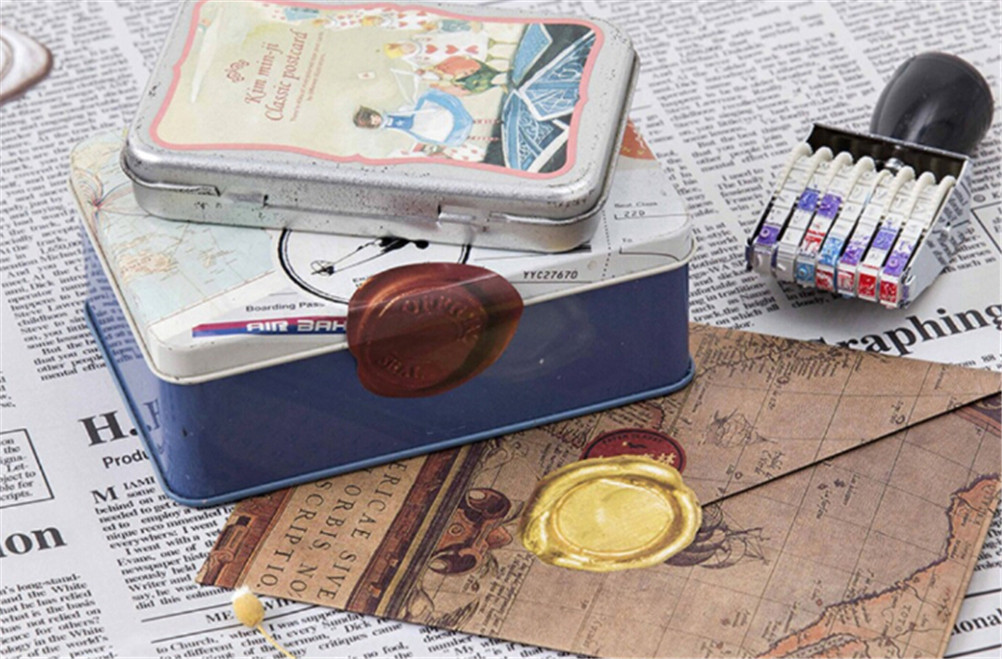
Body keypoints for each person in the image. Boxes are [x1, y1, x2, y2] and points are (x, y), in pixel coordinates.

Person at [353, 89, 475, 147]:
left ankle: (467, 122)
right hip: (414, 127)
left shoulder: (387, 114)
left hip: (414, 118)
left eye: (374, 117)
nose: (377, 119)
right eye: (374, 122)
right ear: (373, 125)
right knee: (433, 130)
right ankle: (470, 136)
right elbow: (401, 131)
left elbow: (403, 112)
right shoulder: (386, 126)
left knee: (438, 116)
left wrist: (406, 109)